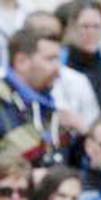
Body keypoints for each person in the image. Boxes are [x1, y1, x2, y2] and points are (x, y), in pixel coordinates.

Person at [1, 29, 70, 168]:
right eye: (51, 59)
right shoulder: (4, 103)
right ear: (21, 61)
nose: (58, 69)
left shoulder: (49, 108)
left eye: (59, 60)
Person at [63, 1, 101, 110]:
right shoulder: (60, 61)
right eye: (85, 26)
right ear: (72, 28)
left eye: (96, 26)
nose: (91, 32)